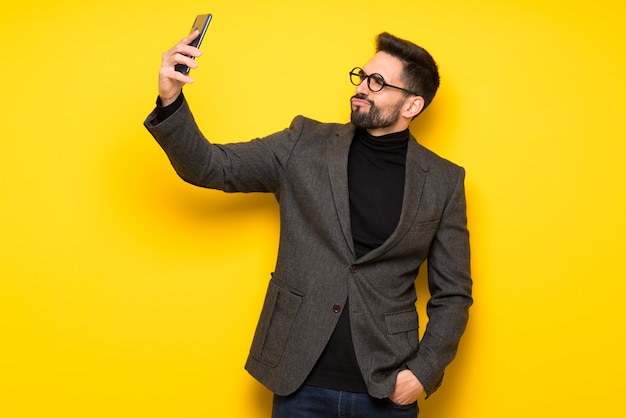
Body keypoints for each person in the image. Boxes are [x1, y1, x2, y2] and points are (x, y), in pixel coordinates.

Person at [145, 29, 472, 418]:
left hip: (386, 387)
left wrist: (423, 372)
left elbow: (453, 293)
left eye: (378, 82)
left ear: (412, 105)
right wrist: (171, 99)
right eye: (363, 76)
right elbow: (212, 167)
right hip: (299, 382)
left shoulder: (443, 181)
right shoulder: (304, 144)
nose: (362, 88)